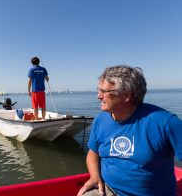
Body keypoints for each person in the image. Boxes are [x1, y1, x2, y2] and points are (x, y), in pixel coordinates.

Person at [77, 65, 182, 196]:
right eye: (99, 90)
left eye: (105, 92)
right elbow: (93, 154)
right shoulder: (100, 120)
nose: (99, 96)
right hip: (109, 190)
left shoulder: (165, 122)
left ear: (126, 95)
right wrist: (94, 176)